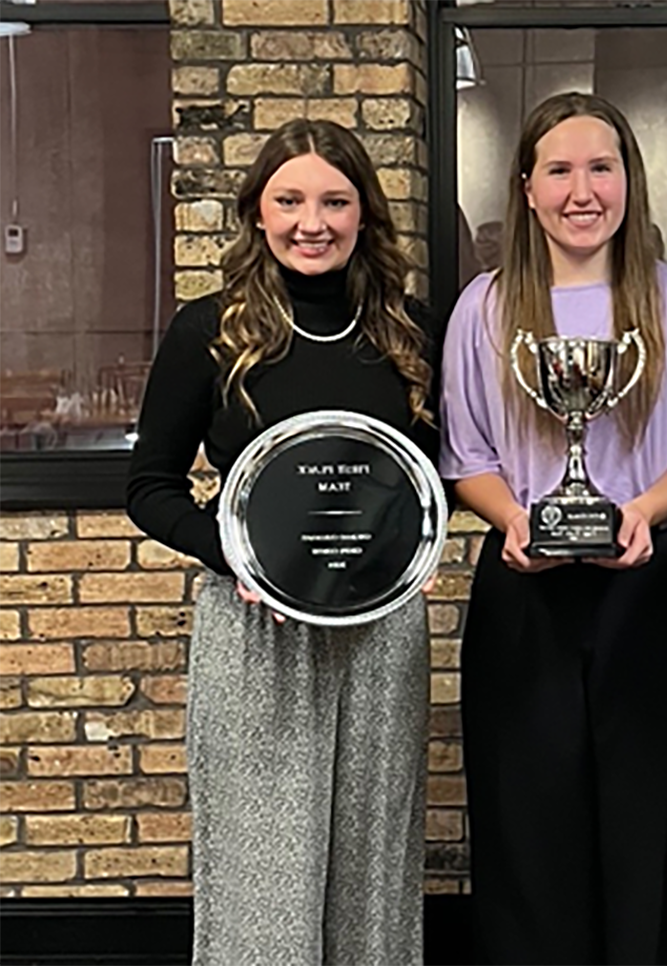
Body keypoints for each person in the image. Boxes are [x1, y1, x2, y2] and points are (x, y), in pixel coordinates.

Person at [126, 119, 439, 966]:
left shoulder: (411, 330)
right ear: (257, 214)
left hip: (380, 632)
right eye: (290, 200)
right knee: (260, 870)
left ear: (364, 214)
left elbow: (434, 479)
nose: (314, 221)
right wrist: (231, 553)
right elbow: (149, 486)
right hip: (253, 627)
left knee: (374, 865)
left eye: (336, 201)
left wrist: (407, 546)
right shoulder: (208, 331)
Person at [439, 92, 667, 966]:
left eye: (601, 167)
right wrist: (515, 521)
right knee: (529, 825)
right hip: (524, 589)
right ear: (526, 188)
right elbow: (466, 459)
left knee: (654, 816)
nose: (582, 190)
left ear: (630, 183)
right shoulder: (483, 310)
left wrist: (641, 511)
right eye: (559, 170)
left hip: (649, 586)